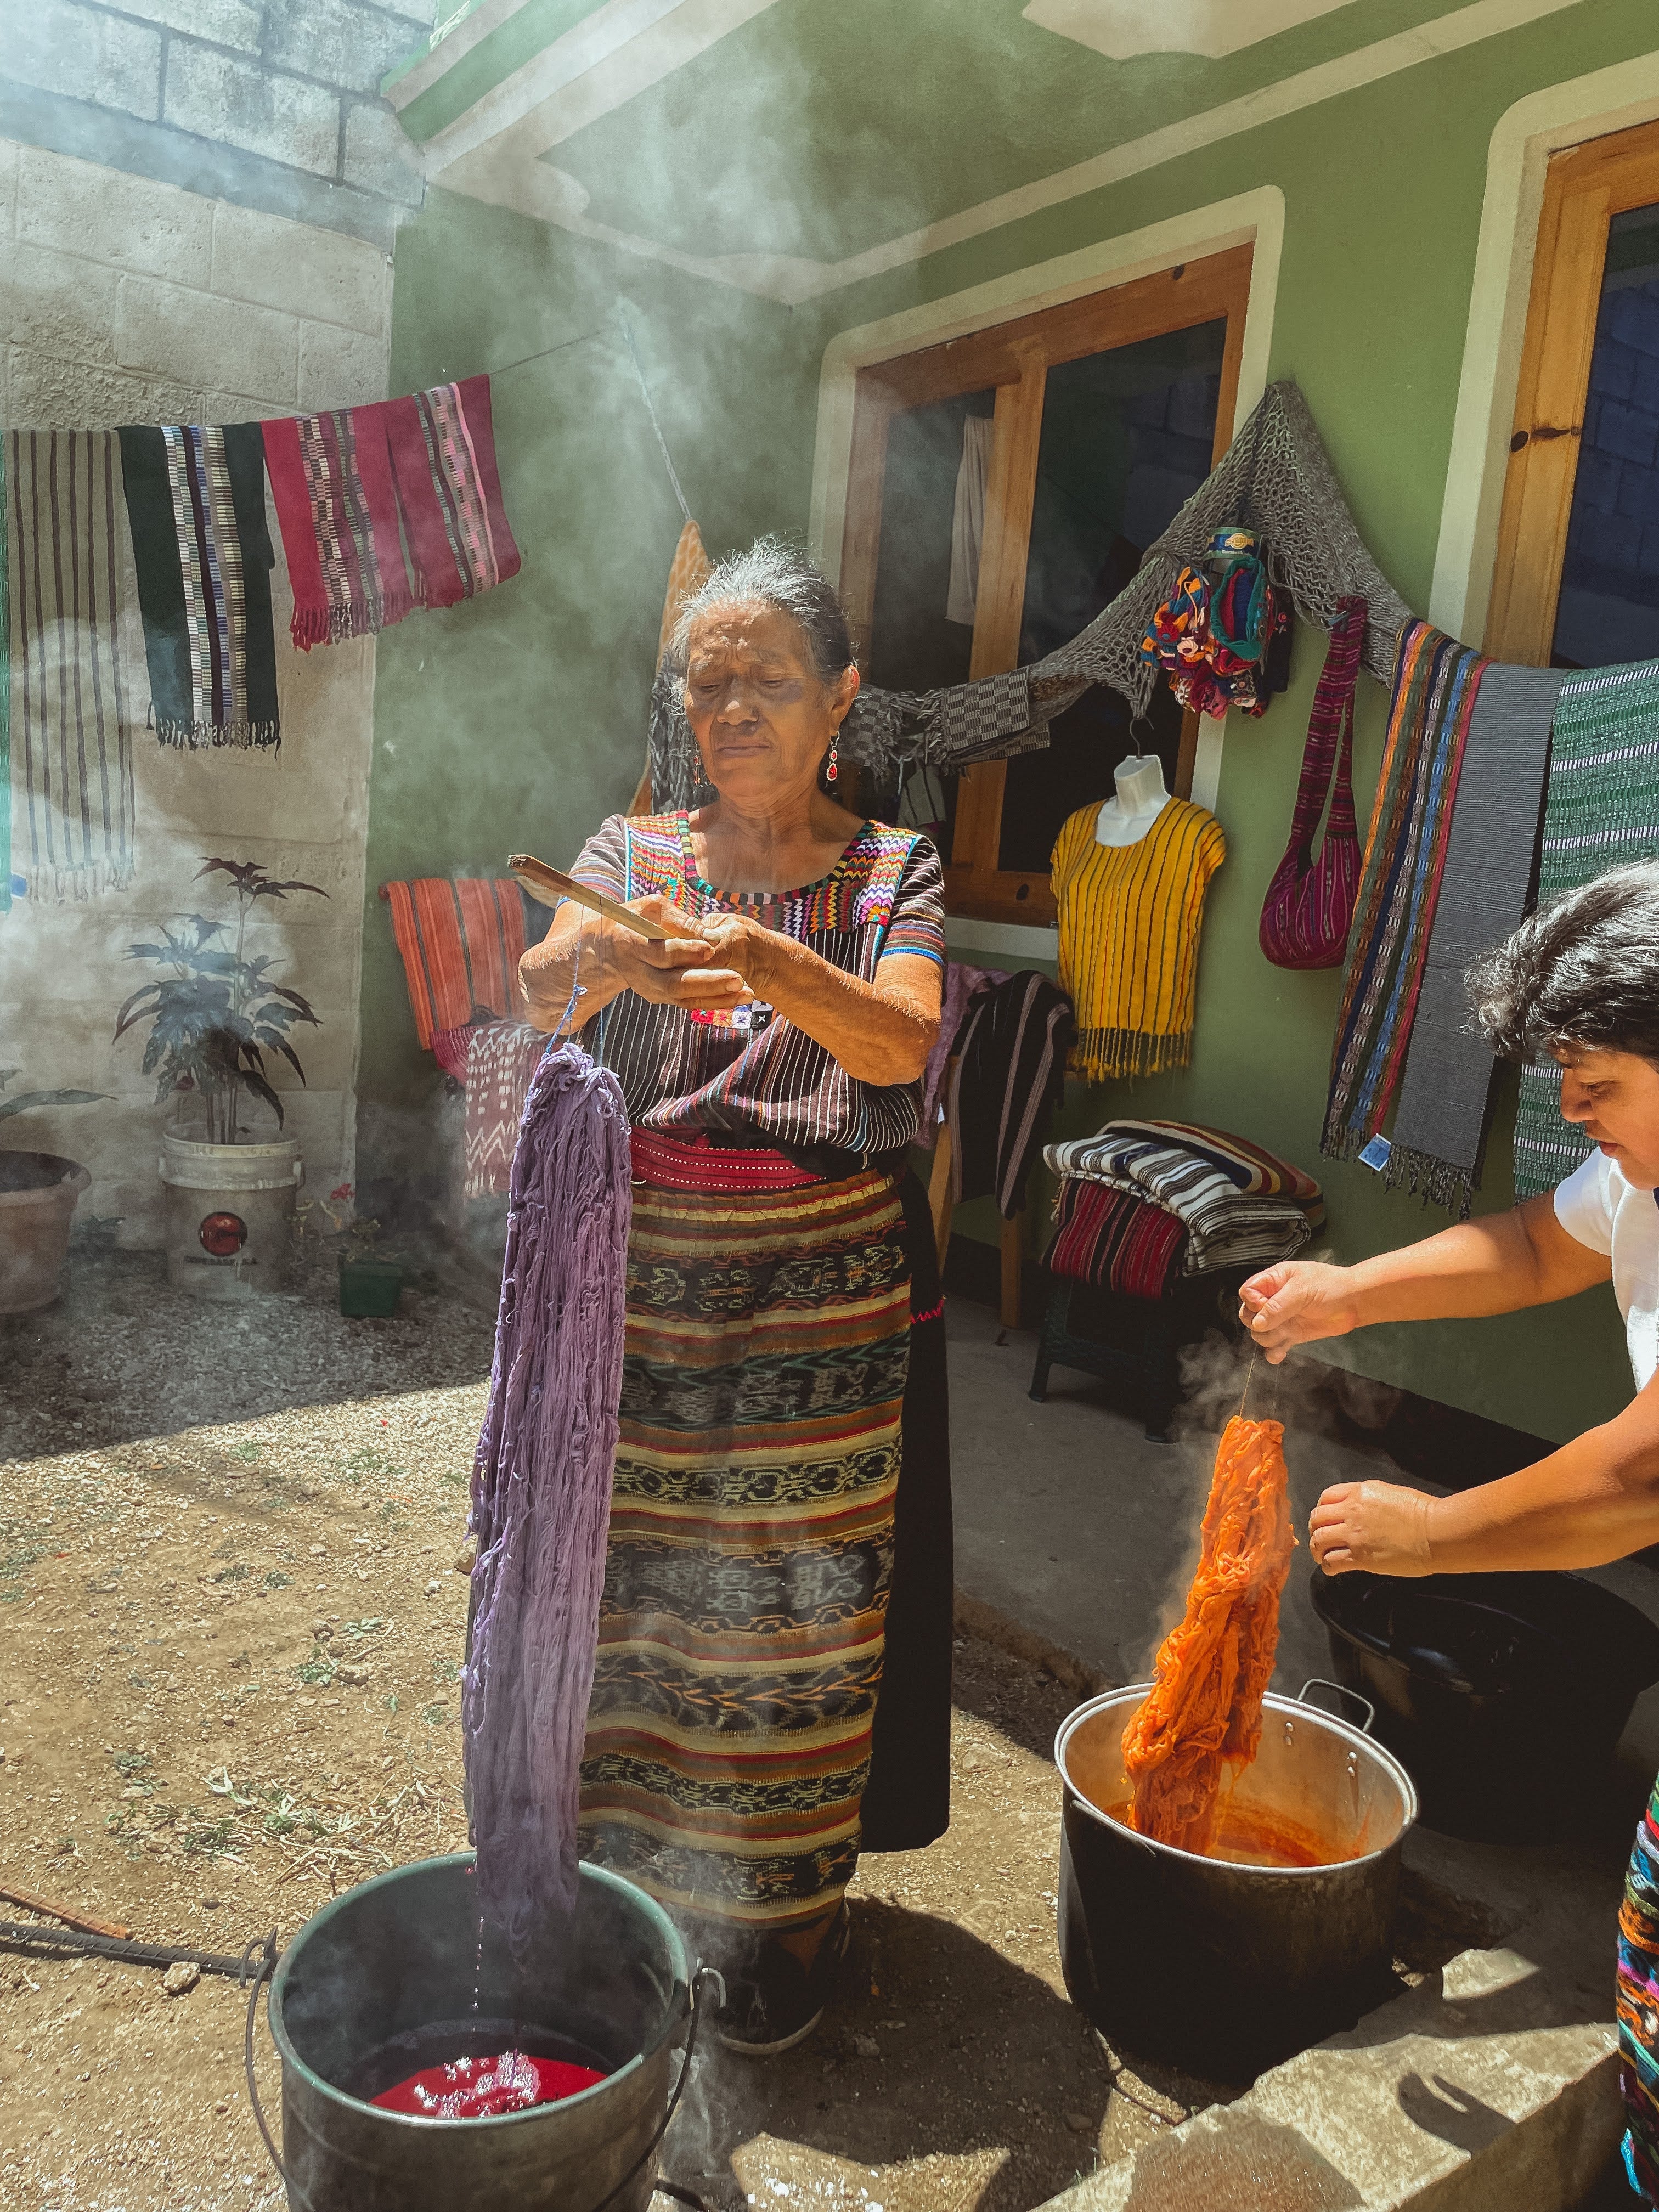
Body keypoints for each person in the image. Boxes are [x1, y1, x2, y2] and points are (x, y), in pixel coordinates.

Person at [518, 538, 951, 2056]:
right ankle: (624, 1910)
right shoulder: (639, 851)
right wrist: (608, 961)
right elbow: (542, 974)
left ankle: (773, 1938)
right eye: (707, 688)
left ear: (844, 696)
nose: (734, 713)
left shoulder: (894, 872)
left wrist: (769, 959)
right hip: (635, 1292)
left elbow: (900, 1048)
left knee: (789, 1614)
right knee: (628, 1599)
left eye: (768, 680)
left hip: (822, 1305)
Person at [1238, 860, 1659, 2202]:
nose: (1577, 1117)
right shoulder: (1640, 1176)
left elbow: (1645, 1475)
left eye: (1600, 1087)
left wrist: (1438, 1532)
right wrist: (1351, 1292)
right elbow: (1538, 1248)